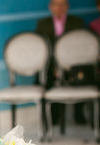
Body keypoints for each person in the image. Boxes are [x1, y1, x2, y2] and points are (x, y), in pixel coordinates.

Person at [36, 0, 85, 128]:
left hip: (73, 63)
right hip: (50, 64)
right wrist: (54, 66)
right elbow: (41, 48)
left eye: (63, 4)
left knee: (83, 74)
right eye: (56, 4)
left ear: (67, 6)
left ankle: (79, 114)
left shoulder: (77, 22)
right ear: (50, 7)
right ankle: (52, 117)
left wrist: (67, 64)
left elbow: (81, 47)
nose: (59, 7)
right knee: (43, 78)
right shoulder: (42, 24)